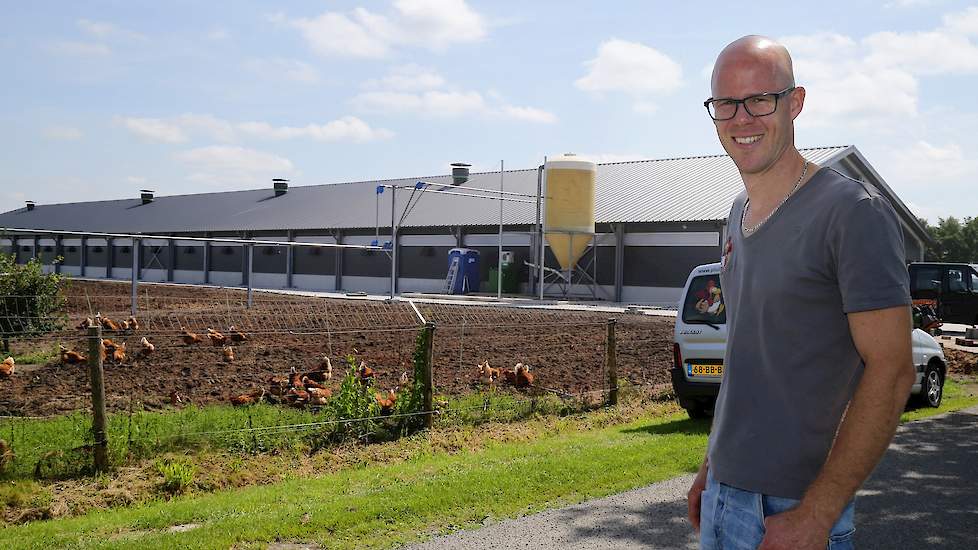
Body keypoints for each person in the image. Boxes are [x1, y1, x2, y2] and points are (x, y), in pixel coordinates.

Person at [688, 35, 915, 550]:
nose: (741, 118)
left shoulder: (853, 213)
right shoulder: (735, 214)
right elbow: (749, 357)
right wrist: (711, 467)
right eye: (726, 103)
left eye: (760, 99)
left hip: (793, 510)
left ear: (795, 103)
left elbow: (894, 368)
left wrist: (817, 514)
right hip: (725, 494)